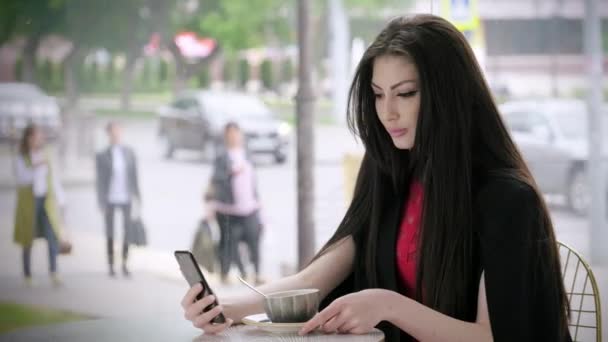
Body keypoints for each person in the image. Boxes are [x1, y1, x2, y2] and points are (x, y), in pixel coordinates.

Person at [180, 14, 571, 341]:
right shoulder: (390, 170)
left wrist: (387, 305)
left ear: (449, 96)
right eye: (378, 94)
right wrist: (229, 306)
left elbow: (495, 336)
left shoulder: (506, 198)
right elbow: (318, 277)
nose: (388, 113)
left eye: (405, 94)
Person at [211, 122, 264, 285]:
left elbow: (253, 180)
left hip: (249, 207)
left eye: (236, 133)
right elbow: (216, 179)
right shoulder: (221, 156)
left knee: (254, 239)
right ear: (226, 136)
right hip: (228, 209)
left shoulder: (248, 154)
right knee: (228, 242)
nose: (234, 137)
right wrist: (231, 173)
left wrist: (258, 200)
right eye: (230, 134)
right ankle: (227, 273)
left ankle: (256, 273)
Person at [13, 124, 66, 287]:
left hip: (46, 200)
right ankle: (27, 273)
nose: (38, 140)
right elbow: (22, 179)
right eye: (34, 137)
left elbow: (54, 179)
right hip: (30, 202)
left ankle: (54, 272)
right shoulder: (22, 157)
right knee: (28, 237)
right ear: (28, 138)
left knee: (52, 235)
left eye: (39, 136)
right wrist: (35, 167)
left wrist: (62, 200)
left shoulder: (46, 155)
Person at [95, 122, 141, 277]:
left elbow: (134, 176)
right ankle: (110, 263)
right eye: (113, 132)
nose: (116, 134)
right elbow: (100, 180)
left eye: (119, 131)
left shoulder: (129, 152)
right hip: (110, 197)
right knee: (110, 232)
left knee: (126, 230)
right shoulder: (102, 155)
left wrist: (138, 196)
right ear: (108, 134)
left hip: (126, 196)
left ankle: (125, 263)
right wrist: (101, 201)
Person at [191, 186, 221, 274]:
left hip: (208, 266)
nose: (209, 210)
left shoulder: (216, 226)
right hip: (202, 266)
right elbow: (194, 248)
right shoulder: (202, 226)